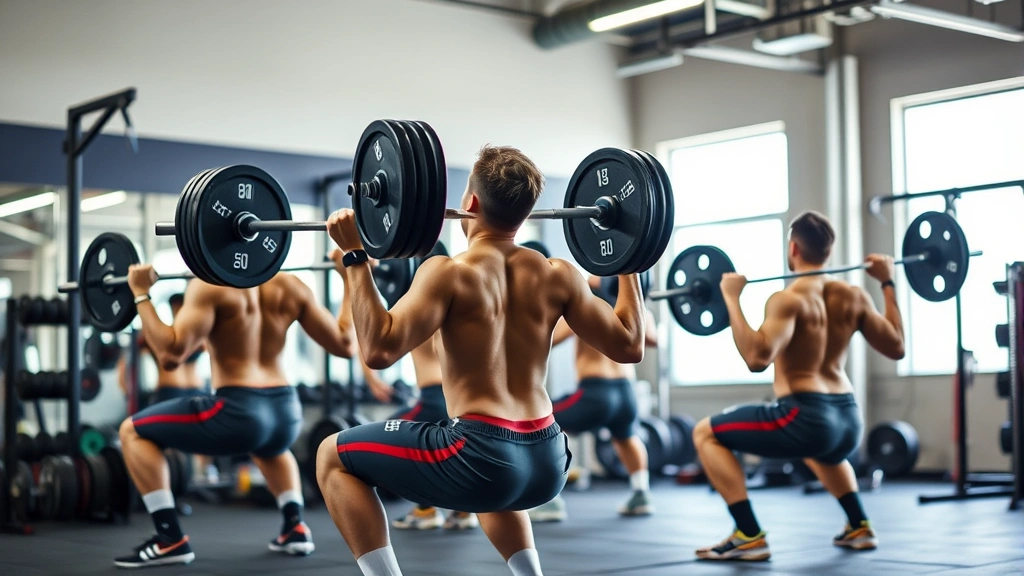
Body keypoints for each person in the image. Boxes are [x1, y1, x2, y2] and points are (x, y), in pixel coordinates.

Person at [317, 145, 647, 576]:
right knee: (495, 490)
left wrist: (355, 259)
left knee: (331, 455)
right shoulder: (558, 273)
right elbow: (630, 344)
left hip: (481, 455)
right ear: (525, 214)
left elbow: (379, 349)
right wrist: (629, 258)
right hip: (548, 458)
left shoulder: (447, 272)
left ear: (469, 203)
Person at [691, 210, 905, 561]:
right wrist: (887, 282)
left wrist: (731, 298)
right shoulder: (854, 296)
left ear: (793, 249)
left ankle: (748, 534)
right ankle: (859, 525)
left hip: (804, 415)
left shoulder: (787, 299)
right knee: (822, 450)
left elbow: (757, 358)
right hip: (848, 418)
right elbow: (897, 346)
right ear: (829, 252)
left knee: (705, 433)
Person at [116, 258, 356, 568]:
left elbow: (170, 354)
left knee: (131, 431)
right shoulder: (291, 286)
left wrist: (141, 294)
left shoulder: (210, 285)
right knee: (271, 448)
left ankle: (169, 538)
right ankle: (295, 527)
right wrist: (351, 277)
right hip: (285, 410)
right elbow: (346, 344)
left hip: (239, 408)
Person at [529, 275, 658, 522]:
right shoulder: (632, 308)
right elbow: (652, 338)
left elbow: (550, 339)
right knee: (627, 437)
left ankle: (549, 501)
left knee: (542, 424)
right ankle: (641, 493)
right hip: (626, 392)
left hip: (596, 391)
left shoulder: (588, 306)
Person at [362, 335, 479, 531]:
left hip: (433, 399)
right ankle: (462, 510)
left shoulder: (423, 307)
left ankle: (426, 510)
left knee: (380, 436)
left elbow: (375, 349)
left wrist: (371, 378)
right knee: (445, 451)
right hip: (464, 397)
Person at [117, 292, 216, 481]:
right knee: (165, 441)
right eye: (176, 307)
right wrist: (127, 391)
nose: (178, 311)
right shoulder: (158, 335)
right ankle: (172, 479)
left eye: (182, 307)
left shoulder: (198, 332)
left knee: (205, 440)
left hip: (198, 391)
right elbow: (124, 363)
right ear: (171, 309)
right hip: (171, 391)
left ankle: (201, 479)